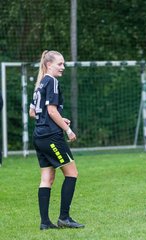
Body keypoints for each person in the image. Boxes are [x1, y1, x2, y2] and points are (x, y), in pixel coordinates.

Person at [29, 50, 84, 230]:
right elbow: (51, 111)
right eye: (59, 64)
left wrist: (59, 117)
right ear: (48, 64)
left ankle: (45, 223)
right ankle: (64, 218)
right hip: (51, 136)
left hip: (39, 135)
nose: (63, 67)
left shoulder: (39, 84)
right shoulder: (52, 81)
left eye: (63, 64)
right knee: (72, 173)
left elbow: (33, 112)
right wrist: (67, 129)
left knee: (47, 178)